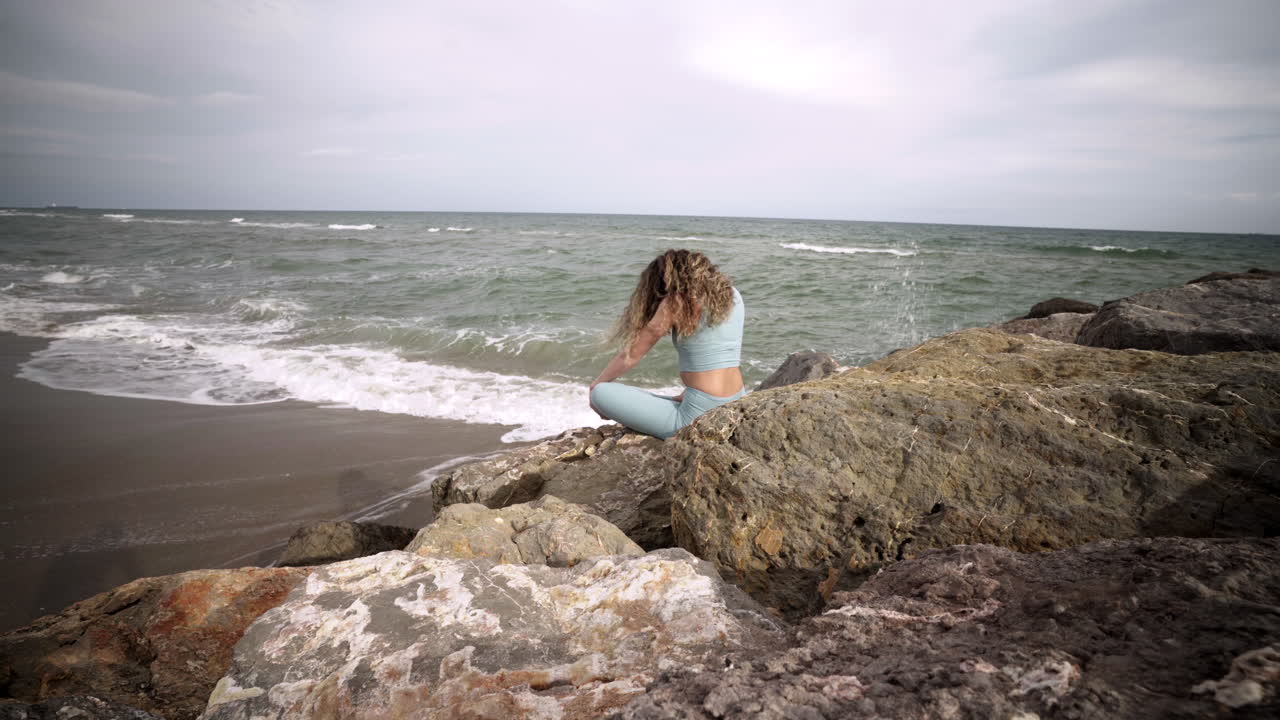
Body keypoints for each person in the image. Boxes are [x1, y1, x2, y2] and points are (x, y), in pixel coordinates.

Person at [588, 249, 745, 439]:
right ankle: (685, 398)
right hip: (736, 400)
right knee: (645, 396)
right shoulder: (732, 295)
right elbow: (718, 355)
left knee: (601, 393)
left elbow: (631, 355)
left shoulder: (678, 301)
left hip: (695, 418)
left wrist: (595, 386)